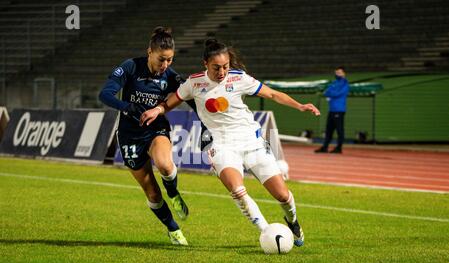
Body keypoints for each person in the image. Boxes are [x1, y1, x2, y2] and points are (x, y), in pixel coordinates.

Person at [140, 39, 320, 247]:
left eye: (225, 66)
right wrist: (157, 110)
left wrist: (299, 106)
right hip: (221, 145)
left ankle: (293, 221)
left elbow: (271, 93)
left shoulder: (239, 78)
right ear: (205, 63)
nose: (222, 72)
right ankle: (268, 233)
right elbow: (170, 103)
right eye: (217, 67)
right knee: (237, 190)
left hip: (251, 141)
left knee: (283, 196)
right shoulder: (194, 83)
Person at [98, 27, 190, 246]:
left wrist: (206, 125)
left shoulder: (170, 76)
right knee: (153, 194)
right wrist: (127, 107)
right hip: (130, 135)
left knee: (165, 166)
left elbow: (190, 96)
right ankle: (173, 229)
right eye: (161, 60)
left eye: (169, 60)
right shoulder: (130, 67)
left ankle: (174, 192)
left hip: (155, 128)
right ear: (150, 52)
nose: (165, 65)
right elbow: (105, 94)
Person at [315, 66, 349, 154]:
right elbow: (326, 92)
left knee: (339, 130)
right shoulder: (334, 83)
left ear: (344, 73)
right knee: (328, 129)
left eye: (339, 73)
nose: (337, 74)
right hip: (332, 110)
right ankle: (325, 147)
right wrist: (330, 93)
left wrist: (331, 94)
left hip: (339, 110)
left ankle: (339, 148)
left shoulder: (345, 83)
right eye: (336, 73)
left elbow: (337, 93)